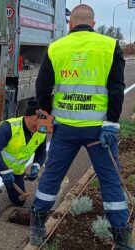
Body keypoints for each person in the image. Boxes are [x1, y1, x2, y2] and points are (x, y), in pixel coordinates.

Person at [30, 4, 131, 249]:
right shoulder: (109, 46)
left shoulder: (56, 47)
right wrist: (111, 123)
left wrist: (48, 113)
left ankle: (37, 227)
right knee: (109, 181)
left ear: (70, 24)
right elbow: (117, 88)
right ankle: (122, 240)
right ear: (94, 24)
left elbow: (42, 88)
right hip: (99, 131)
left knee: (52, 177)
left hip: (65, 130)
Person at [0, 102, 47, 220]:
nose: (38, 125)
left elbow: (41, 152)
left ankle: (9, 187)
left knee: (18, 203)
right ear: (27, 117)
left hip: (15, 171)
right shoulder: (9, 126)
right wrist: (4, 171)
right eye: (36, 120)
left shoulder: (41, 131)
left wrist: (36, 165)